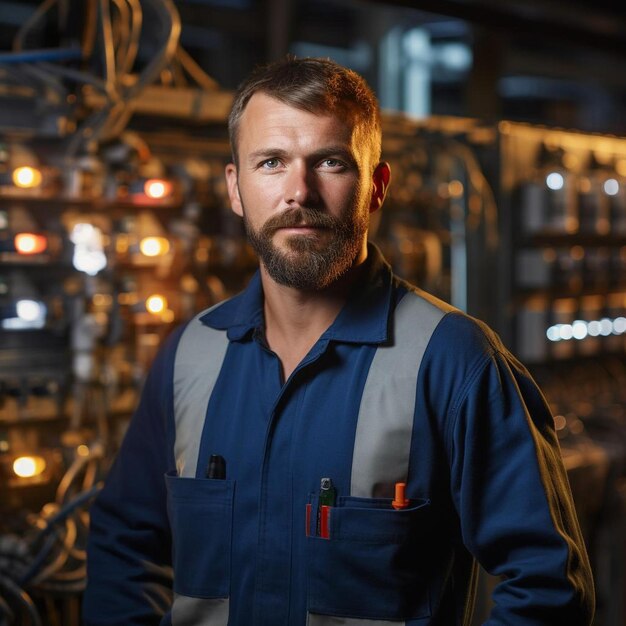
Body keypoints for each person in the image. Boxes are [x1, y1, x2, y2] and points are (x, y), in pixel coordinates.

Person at [83, 57, 594, 626]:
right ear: (235, 187)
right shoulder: (188, 357)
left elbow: (548, 589)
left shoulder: (452, 361)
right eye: (271, 162)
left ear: (376, 187)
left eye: (328, 162)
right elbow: (123, 551)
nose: (298, 192)